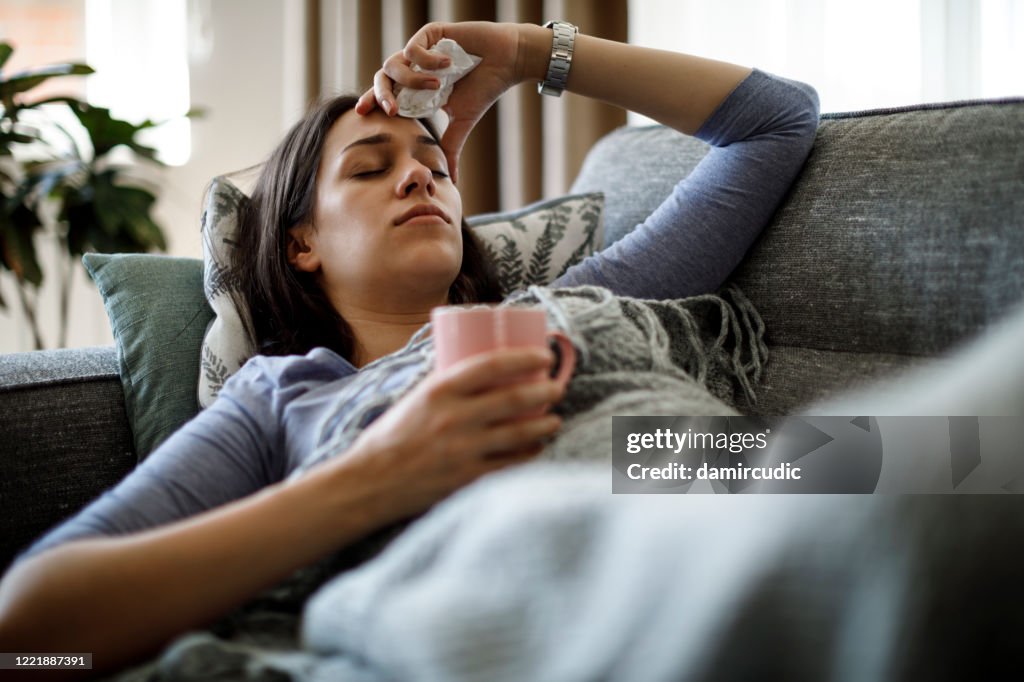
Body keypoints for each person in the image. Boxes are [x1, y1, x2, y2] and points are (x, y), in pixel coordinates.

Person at [0, 20, 819, 678]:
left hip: (730, 535)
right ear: (301, 245)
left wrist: (527, 52)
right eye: (368, 169)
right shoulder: (283, 397)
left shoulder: (572, 308)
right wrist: (376, 475)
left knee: (942, 455)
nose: (422, 177)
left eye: (436, 164)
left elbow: (776, 124)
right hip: (557, 615)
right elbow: (28, 637)